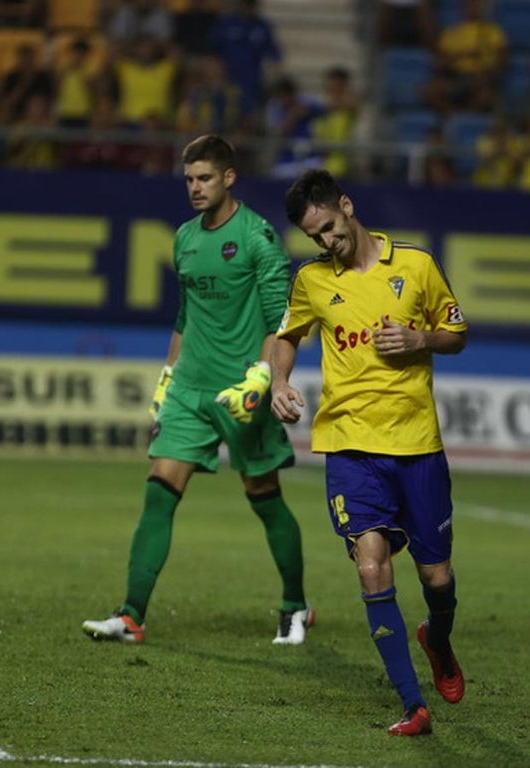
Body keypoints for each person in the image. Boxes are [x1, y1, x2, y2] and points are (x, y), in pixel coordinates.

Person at [82, 134, 314, 646]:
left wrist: (265, 376)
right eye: (188, 179)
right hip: (190, 388)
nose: (195, 187)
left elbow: (284, 317)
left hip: (243, 389)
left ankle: (295, 606)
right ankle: (131, 615)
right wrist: (168, 378)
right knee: (159, 492)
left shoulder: (258, 238)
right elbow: (185, 316)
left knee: (263, 495)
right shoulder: (184, 236)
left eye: (204, 178)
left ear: (229, 178)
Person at [273, 169, 468, 736]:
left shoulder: (416, 265)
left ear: (347, 207)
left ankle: (438, 637)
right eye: (315, 237)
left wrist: (421, 339)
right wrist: (281, 382)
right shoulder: (311, 280)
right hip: (350, 445)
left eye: (331, 229)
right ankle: (413, 705)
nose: (326, 243)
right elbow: (287, 336)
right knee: (370, 563)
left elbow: (456, 332)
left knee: (437, 578)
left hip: (417, 445)